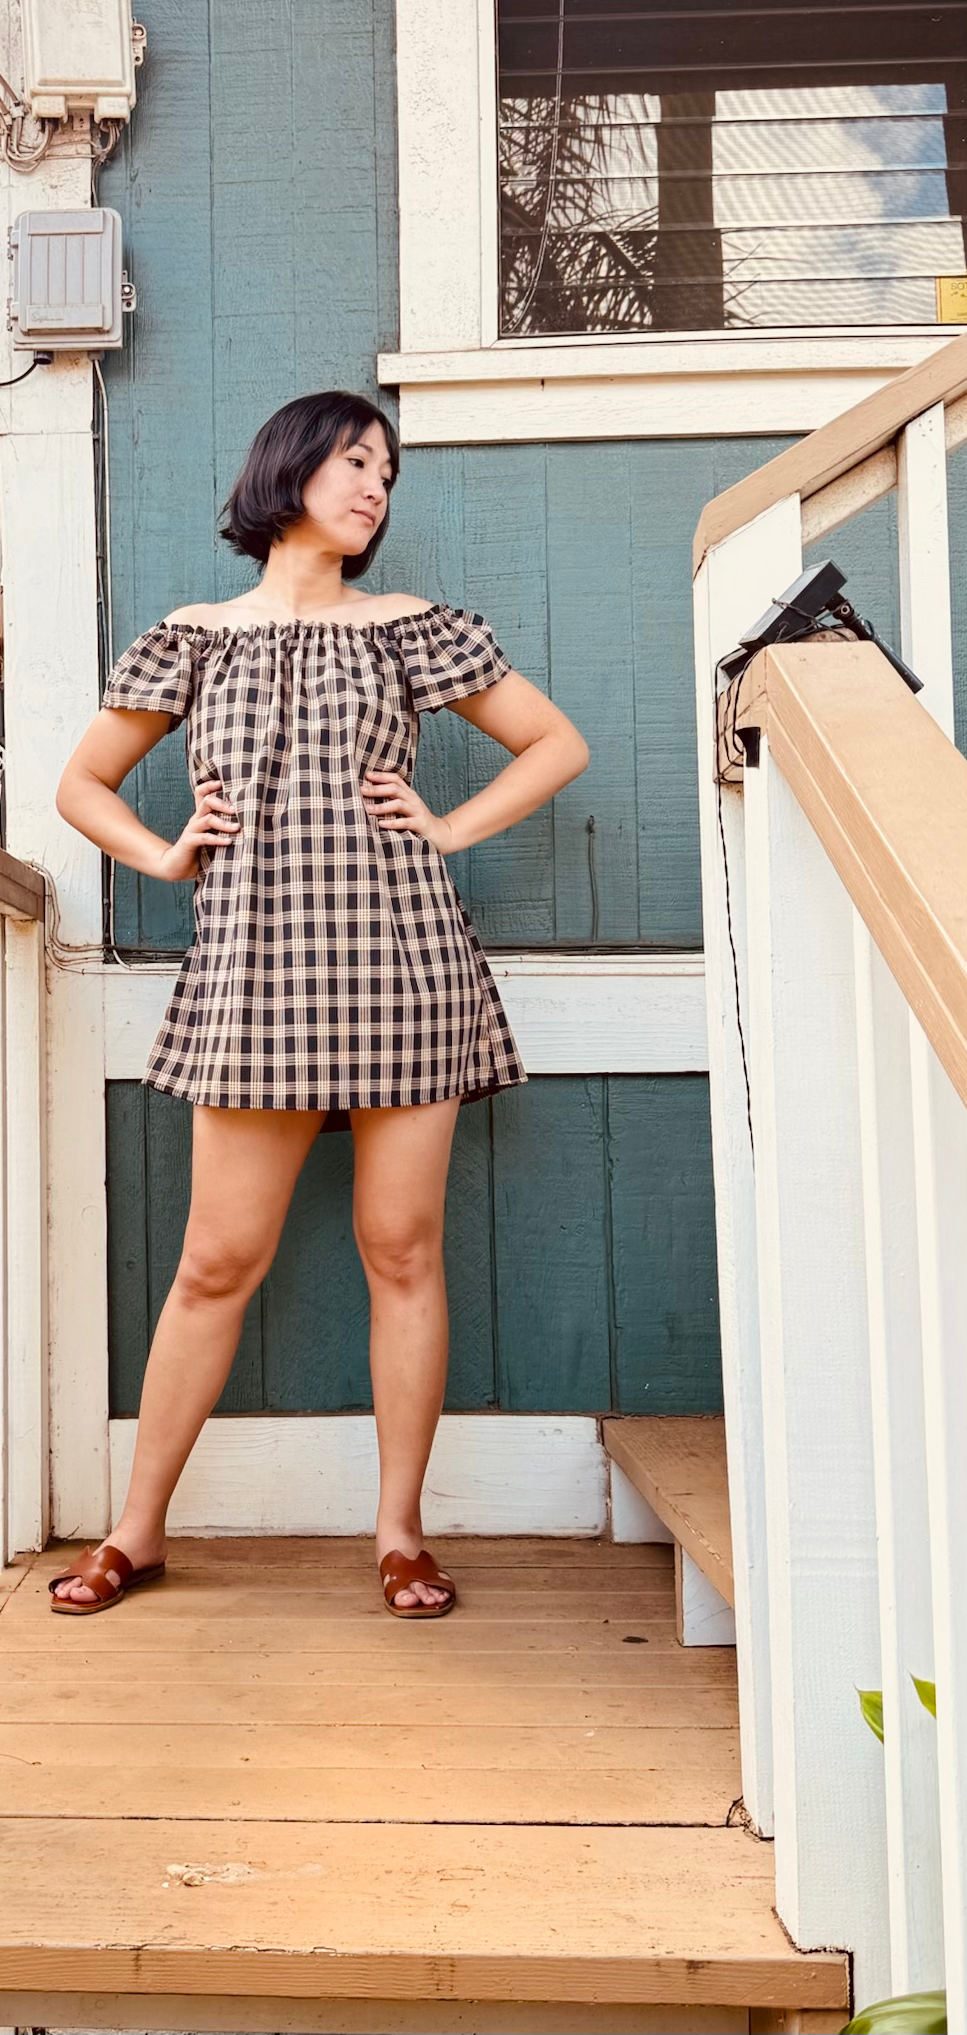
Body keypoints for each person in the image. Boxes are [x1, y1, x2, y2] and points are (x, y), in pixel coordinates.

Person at [51, 388, 590, 1619]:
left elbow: (555, 744)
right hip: (254, 977)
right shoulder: (193, 637)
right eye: (355, 460)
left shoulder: (409, 629)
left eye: (386, 472)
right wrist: (165, 853)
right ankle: (136, 1531)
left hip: (403, 968)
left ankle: (400, 1534)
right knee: (213, 1261)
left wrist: (448, 825)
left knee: (401, 1250)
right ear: (288, 467)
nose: (374, 487)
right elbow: (82, 785)